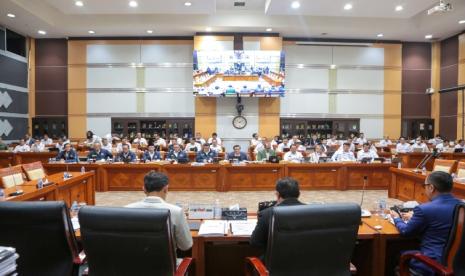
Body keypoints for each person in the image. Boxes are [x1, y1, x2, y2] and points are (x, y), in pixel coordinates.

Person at [390, 171, 461, 275]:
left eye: (425, 186)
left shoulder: (425, 209)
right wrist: (415, 217)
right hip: (458, 264)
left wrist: (397, 218)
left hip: (432, 264)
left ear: (431, 188)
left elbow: (406, 231)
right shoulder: (461, 206)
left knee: (395, 254)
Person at [125, 171, 193, 261]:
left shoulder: (126, 210)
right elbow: (186, 246)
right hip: (166, 269)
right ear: (166, 189)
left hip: (132, 266)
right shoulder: (176, 211)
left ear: (144, 189)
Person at [250, 177, 304, 252]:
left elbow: (255, 242)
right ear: (299, 194)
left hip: (276, 263)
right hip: (307, 262)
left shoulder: (267, 214)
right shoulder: (313, 213)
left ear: (277, 194)